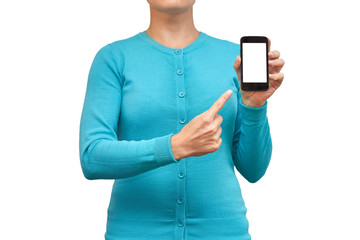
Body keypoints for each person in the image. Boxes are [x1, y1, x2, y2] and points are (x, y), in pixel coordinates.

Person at [78, 0, 285, 239]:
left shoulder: (234, 59)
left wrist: (254, 107)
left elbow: (253, 170)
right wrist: (176, 146)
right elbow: (92, 157)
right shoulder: (113, 58)